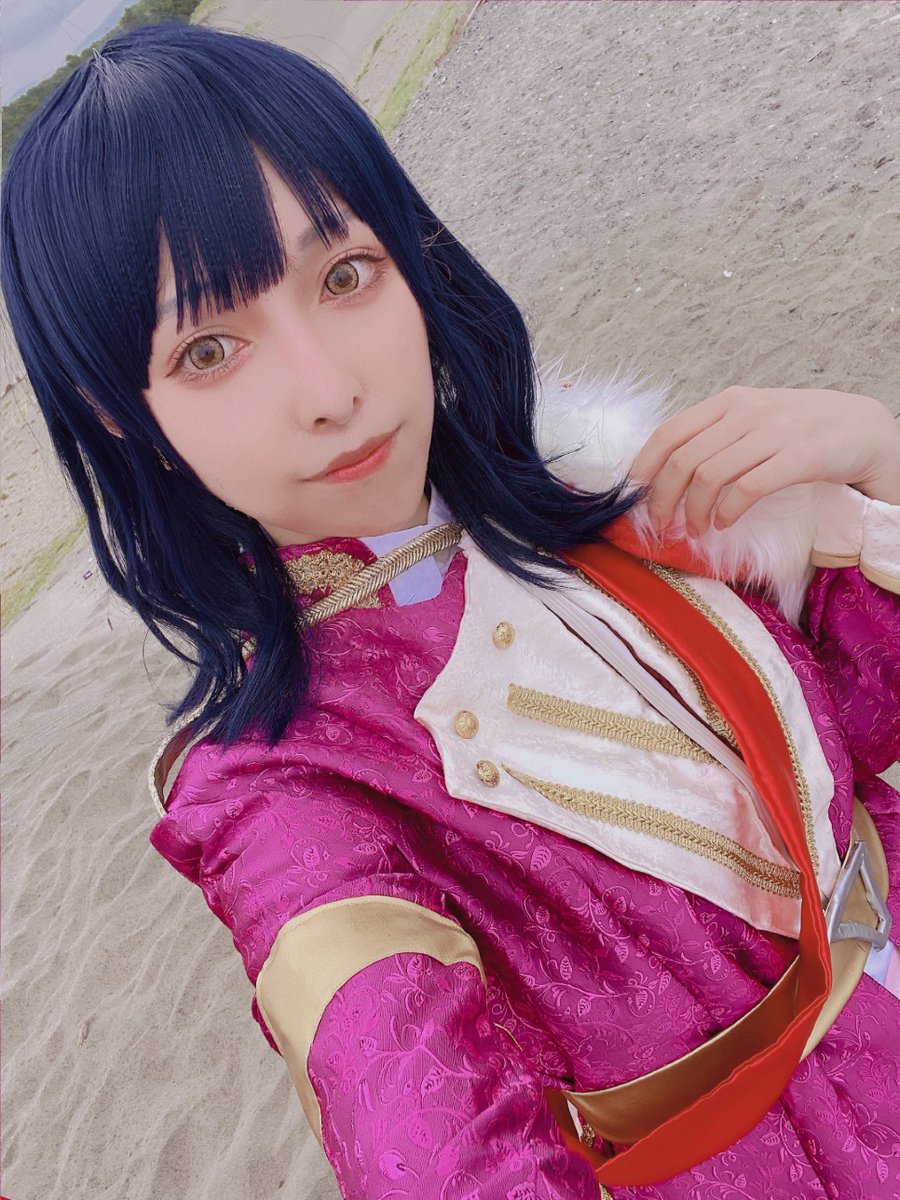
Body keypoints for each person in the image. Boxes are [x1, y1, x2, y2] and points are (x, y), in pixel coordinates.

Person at [2, 19, 899, 1198]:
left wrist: (880, 467)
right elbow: (425, 1128)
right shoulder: (281, 787)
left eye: (344, 276)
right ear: (117, 411)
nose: (329, 391)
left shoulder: (589, 485)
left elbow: (859, 719)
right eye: (211, 350)